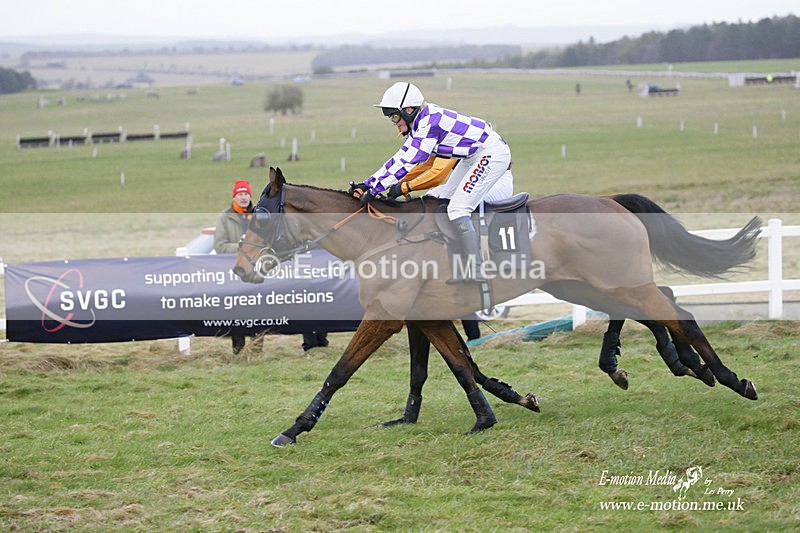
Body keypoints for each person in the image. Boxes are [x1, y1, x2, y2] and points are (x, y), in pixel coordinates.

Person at [350, 81, 512, 284]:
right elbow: (400, 157)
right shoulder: (422, 121)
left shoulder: (429, 124)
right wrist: (368, 184)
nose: (394, 122)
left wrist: (376, 188)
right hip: (473, 156)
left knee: (458, 209)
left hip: (491, 154)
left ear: (409, 110)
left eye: (395, 116)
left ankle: (477, 268)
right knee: (442, 199)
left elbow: (410, 161)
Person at [215, 179, 258, 355]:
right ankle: (238, 352)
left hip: (257, 272)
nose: (243, 197)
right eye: (240, 194)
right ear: (234, 196)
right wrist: (242, 247)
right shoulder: (225, 217)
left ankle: (257, 350)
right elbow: (220, 246)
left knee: (259, 310)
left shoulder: (259, 214)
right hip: (236, 272)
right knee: (238, 312)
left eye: (246, 194)